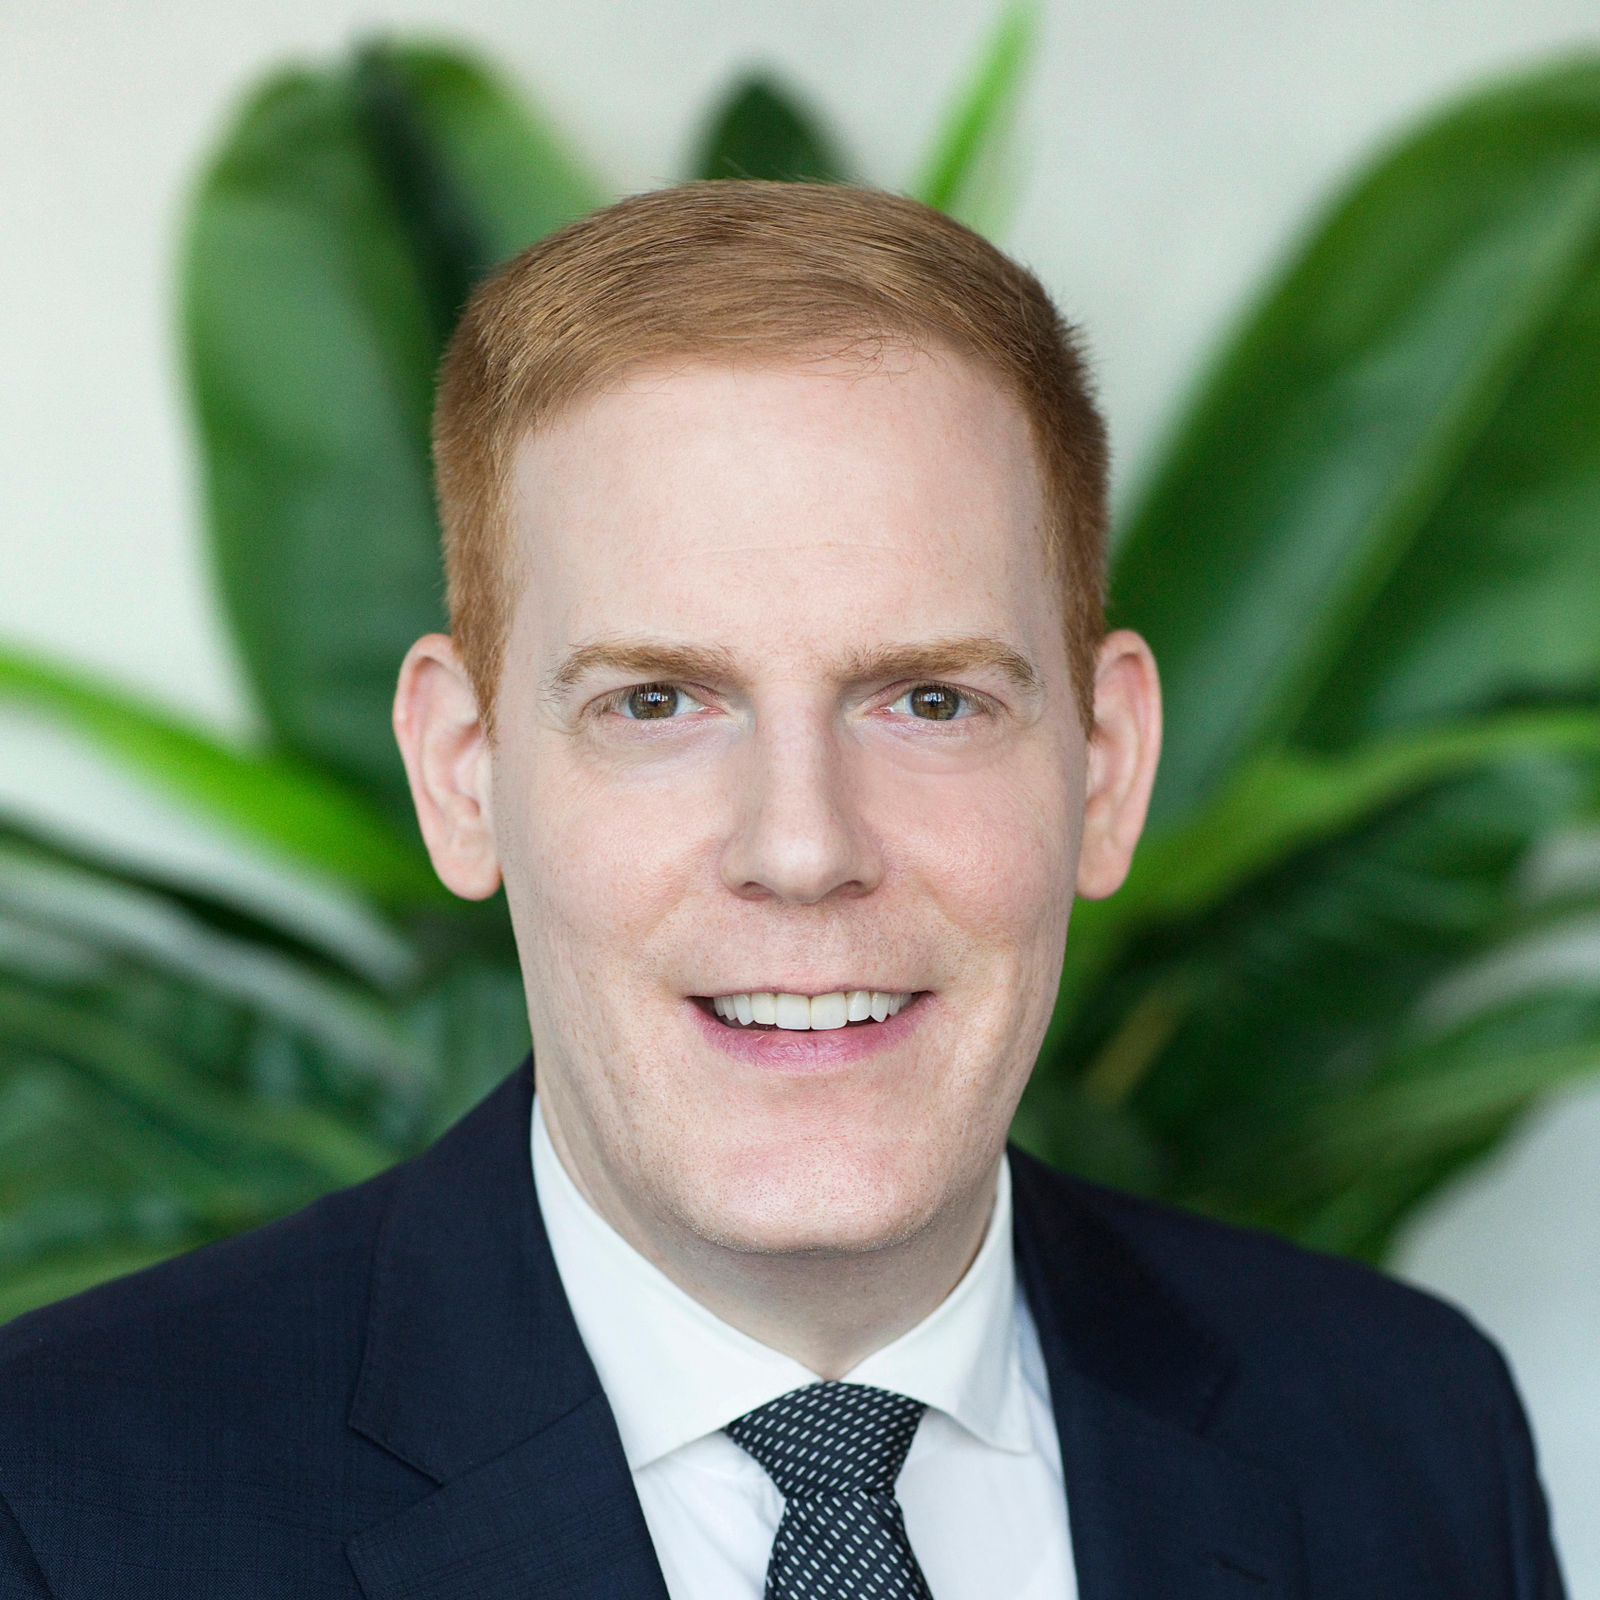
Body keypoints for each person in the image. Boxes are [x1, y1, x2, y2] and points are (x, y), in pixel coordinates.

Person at [0, 180, 1566, 1599]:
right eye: (658, 704)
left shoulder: (1408, 1431)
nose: (805, 849)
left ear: (1105, 766)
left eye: (931, 702)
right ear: (464, 774)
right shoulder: (64, 1500)